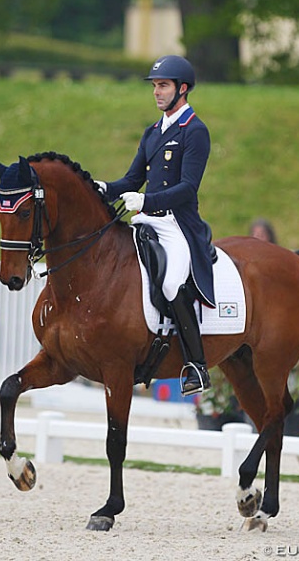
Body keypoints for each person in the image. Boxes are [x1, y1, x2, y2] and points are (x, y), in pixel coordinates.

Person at [97, 55, 214, 396]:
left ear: (183, 89)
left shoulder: (194, 130)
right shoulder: (153, 132)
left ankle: (197, 366)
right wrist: (104, 188)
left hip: (177, 225)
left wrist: (146, 201)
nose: (157, 92)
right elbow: (133, 178)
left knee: (171, 284)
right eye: (155, 86)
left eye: (163, 86)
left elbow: (188, 187)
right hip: (147, 220)